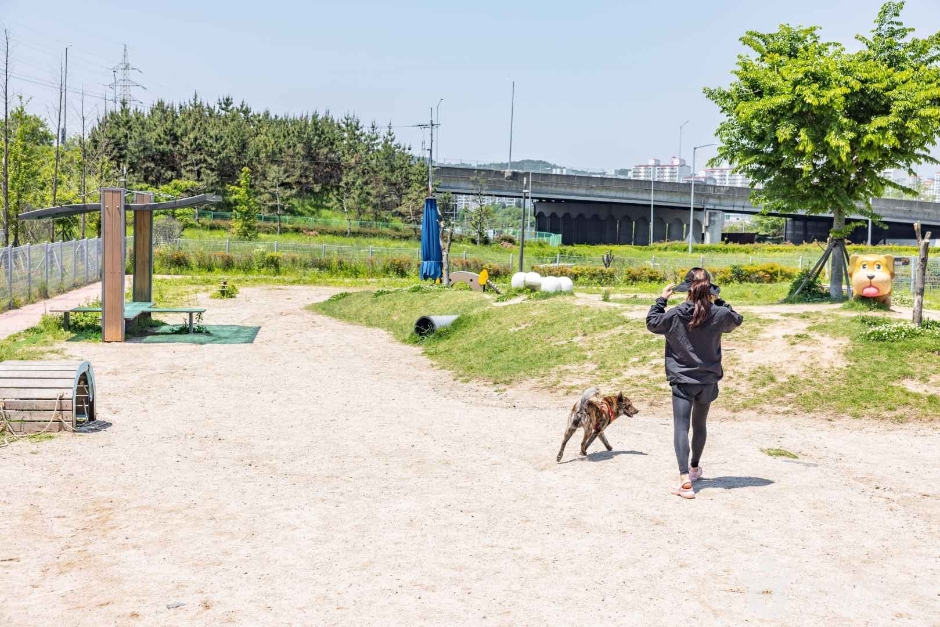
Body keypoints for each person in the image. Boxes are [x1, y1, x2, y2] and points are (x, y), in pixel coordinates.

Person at [646, 268, 743, 499]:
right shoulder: (719, 313)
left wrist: (661, 299)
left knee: (681, 427)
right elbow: (736, 319)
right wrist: (720, 300)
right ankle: (694, 468)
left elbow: (652, 322)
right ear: (709, 289)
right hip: (707, 380)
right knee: (700, 425)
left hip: (682, 379)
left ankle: (684, 480)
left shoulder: (676, 313)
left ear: (687, 289)